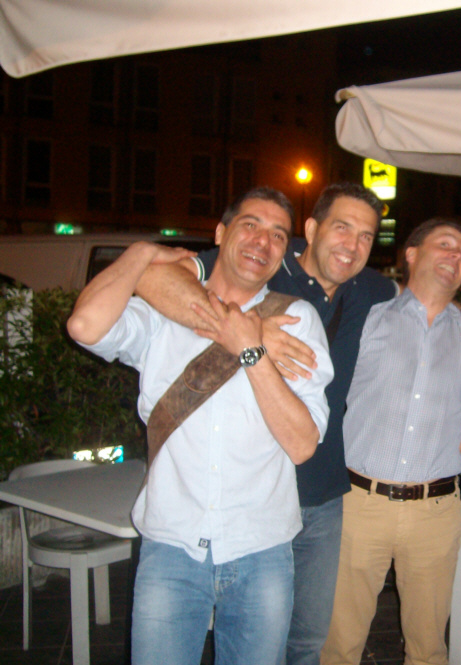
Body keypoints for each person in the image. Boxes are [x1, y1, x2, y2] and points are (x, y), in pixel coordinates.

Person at [134, 182, 461, 665]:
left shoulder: (371, 290)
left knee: (309, 641)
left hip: (326, 497)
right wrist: (244, 326)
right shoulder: (265, 261)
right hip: (251, 498)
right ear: (310, 229)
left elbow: (428, 296)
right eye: (342, 228)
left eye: (366, 236)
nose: (352, 244)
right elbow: (153, 279)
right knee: (248, 639)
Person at [67, 187, 334, 664]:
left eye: (278, 234)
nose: (263, 241)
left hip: (260, 547)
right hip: (171, 543)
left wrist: (249, 350)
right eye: (250, 225)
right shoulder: (163, 312)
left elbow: (302, 445)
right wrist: (141, 253)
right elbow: (84, 326)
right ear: (220, 233)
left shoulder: (296, 319)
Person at [320, 218, 461, 665]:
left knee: (428, 648)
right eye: (445, 245)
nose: (456, 256)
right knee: (338, 643)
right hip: (359, 503)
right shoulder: (370, 318)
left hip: (435, 511)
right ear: (412, 255)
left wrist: (448, 447)